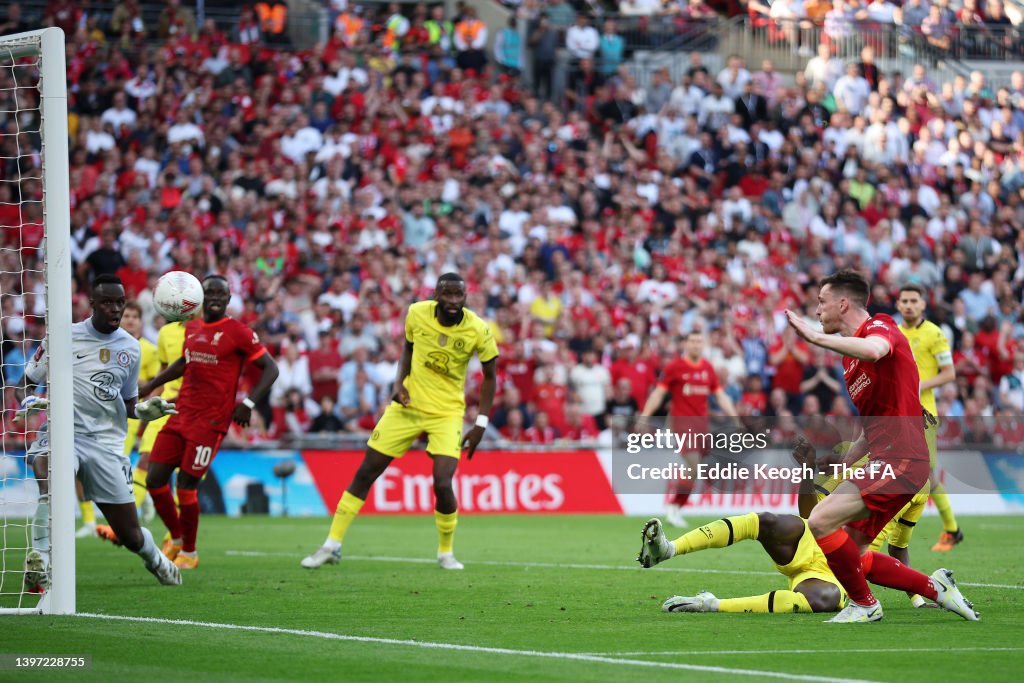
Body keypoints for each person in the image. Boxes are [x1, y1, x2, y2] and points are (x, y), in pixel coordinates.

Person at [785, 270, 978, 622]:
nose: (816, 311)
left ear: (843, 303)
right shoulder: (848, 359)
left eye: (821, 303)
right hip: (888, 458)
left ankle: (865, 605)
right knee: (855, 554)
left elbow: (876, 350)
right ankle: (936, 588)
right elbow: (870, 427)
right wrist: (844, 465)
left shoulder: (882, 327)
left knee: (820, 520)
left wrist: (814, 338)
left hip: (902, 459)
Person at [301, 273, 498, 571]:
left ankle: (446, 552)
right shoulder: (416, 313)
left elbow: (490, 376)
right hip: (407, 406)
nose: (454, 302)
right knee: (367, 471)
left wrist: (481, 422)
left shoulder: (478, 329)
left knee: (443, 483)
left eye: (460, 295)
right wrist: (398, 383)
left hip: (447, 413)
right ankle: (332, 544)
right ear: (436, 294)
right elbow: (408, 348)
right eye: (448, 295)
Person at [22, 274, 182, 592]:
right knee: (46, 466)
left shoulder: (130, 348)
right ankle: (39, 559)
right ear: (92, 304)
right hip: (63, 431)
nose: (115, 308)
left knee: (130, 535)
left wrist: (146, 410)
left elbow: (130, 403)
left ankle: (158, 561)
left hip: (106, 443)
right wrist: (30, 401)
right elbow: (29, 377)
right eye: (107, 302)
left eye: (119, 302)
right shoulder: (63, 336)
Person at [141, 275, 279, 570]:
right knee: (154, 479)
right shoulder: (192, 327)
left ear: (229, 300)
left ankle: (189, 552)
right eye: (209, 292)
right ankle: (176, 538)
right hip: (181, 415)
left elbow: (271, 368)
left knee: (187, 486)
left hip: (210, 421)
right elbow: (184, 362)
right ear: (201, 297)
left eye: (221, 293)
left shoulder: (239, 332)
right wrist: (151, 384)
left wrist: (248, 403)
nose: (215, 297)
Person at [639, 331, 737, 528]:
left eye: (699, 341)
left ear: (704, 344)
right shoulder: (675, 366)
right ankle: (674, 507)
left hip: (702, 425)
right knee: (693, 466)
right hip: (681, 424)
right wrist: (644, 416)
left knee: (698, 469)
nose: (696, 345)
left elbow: (720, 396)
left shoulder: (707, 368)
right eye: (692, 341)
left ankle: (676, 507)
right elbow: (658, 394)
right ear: (686, 344)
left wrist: (735, 418)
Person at [895, 284, 963, 552]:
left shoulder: (935, 333)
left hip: (924, 414)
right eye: (904, 300)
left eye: (914, 300)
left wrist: (919, 385)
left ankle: (952, 529)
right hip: (895, 415)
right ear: (898, 304)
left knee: (927, 474)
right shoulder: (893, 333)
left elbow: (949, 373)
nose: (909, 305)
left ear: (923, 304)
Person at [118, 300, 161, 522]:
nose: (131, 320)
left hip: (136, 413)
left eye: (135, 317)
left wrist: (132, 381)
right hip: (111, 412)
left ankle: (128, 514)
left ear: (141, 321)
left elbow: (156, 384)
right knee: (116, 463)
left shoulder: (150, 349)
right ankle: (143, 498)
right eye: (127, 316)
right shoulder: (110, 346)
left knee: (123, 461)